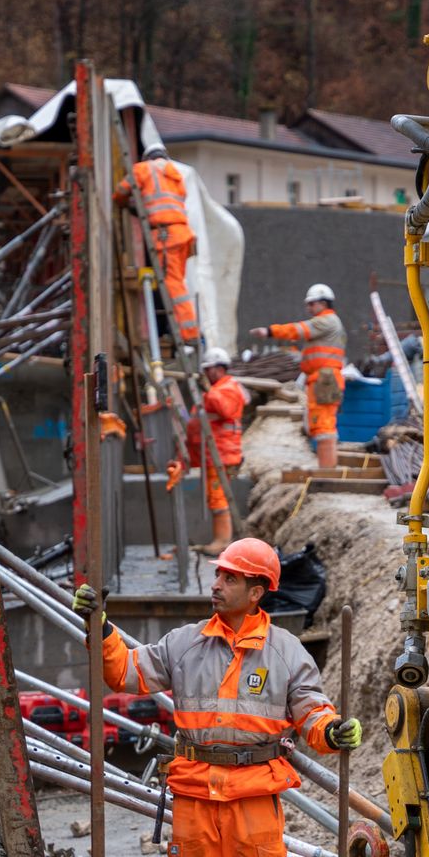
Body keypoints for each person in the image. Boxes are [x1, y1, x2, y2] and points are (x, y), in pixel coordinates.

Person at [74, 538, 363, 857]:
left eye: (229, 579)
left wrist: (331, 731)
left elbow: (312, 711)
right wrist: (100, 628)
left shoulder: (286, 652)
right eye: (218, 575)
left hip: (253, 796)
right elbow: (126, 672)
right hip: (195, 795)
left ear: (256, 592)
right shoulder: (185, 643)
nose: (215, 585)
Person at [115, 144, 201, 346]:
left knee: (172, 285)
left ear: (147, 157)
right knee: (178, 282)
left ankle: (188, 333)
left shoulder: (143, 168)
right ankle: (184, 330)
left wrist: (125, 203)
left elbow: (121, 191)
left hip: (166, 235)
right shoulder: (173, 172)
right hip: (182, 233)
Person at [252, 284, 344, 469]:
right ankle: (326, 468)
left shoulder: (326, 321)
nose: (308, 308)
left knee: (324, 426)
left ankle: (327, 472)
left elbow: (297, 330)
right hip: (322, 379)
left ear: (323, 303)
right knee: (322, 425)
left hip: (324, 379)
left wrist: (270, 331)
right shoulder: (328, 322)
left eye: (311, 304)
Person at [188, 347, 247, 554]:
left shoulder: (228, 388)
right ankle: (220, 539)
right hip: (215, 452)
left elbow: (224, 409)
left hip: (222, 453)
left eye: (209, 369)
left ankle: (222, 542)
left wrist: (208, 390)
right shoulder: (218, 388)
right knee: (216, 496)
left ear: (219, 368)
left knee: (218, 496)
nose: (206, 373)